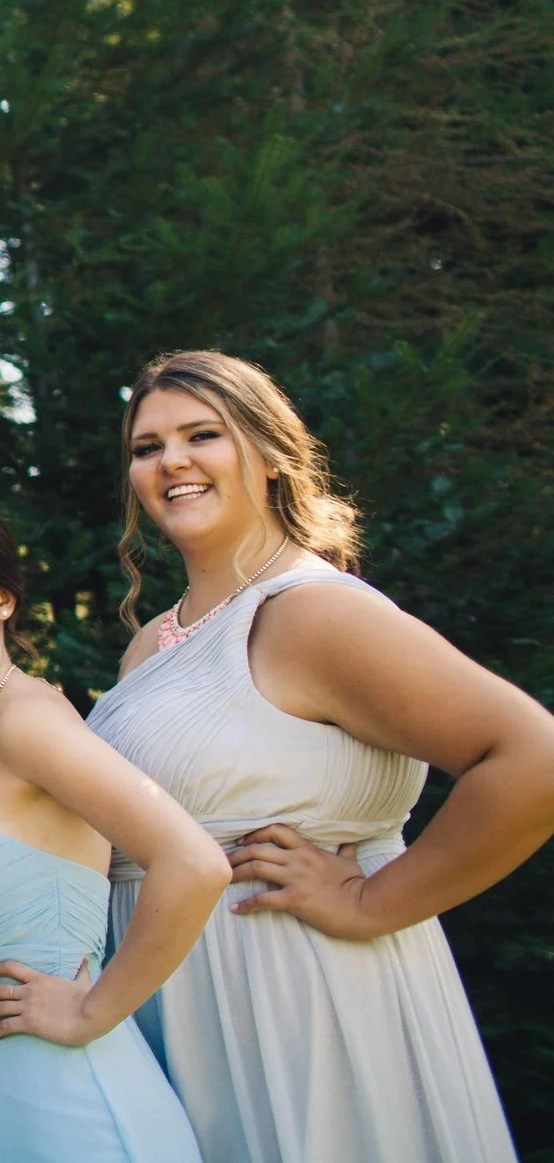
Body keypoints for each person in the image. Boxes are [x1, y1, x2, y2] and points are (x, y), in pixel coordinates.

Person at [89, 350, 554, 1163]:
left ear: (270, 455)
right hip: (176, 1007)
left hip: (302, 998)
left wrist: (375, 900)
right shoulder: (153, 643)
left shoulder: (311, 614)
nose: (171, 462)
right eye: (146, 446)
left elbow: (532, 757)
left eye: (203, 434)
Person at [0, 486, 221, 1163]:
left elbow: (194, 862)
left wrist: (94, 1009)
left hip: (73, 1104)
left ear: (3, 596)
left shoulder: (28, 721)